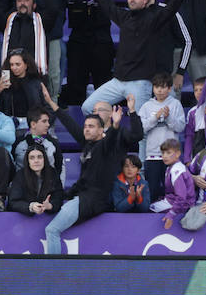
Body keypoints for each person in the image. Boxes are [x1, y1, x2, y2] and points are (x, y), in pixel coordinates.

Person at [44, 100, 142, 253]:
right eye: (85, 126)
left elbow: (110, 141)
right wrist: (51, 102)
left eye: (91, 127)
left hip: (92, 199)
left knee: (52, 230)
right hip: (83, 196)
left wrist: (115, 126)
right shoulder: (88, 145)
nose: (86, 129)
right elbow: (71, 125)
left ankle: (53, 271)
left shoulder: (105, 146)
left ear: (101, 130)